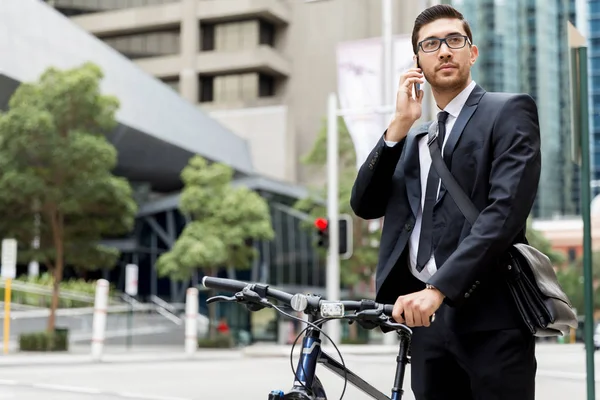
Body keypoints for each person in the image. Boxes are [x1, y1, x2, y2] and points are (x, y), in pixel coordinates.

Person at [350, 4, 541, 400]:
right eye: (431, 44)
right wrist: (397, 127)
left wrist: (438, 288)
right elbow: (365, 204)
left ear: (472, 52)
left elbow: (503, 215)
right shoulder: (416, 138)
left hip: (492, 321)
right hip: (426, 327)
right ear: (417, 61)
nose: (444, 51)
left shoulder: (508, 111)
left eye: (455, 40)